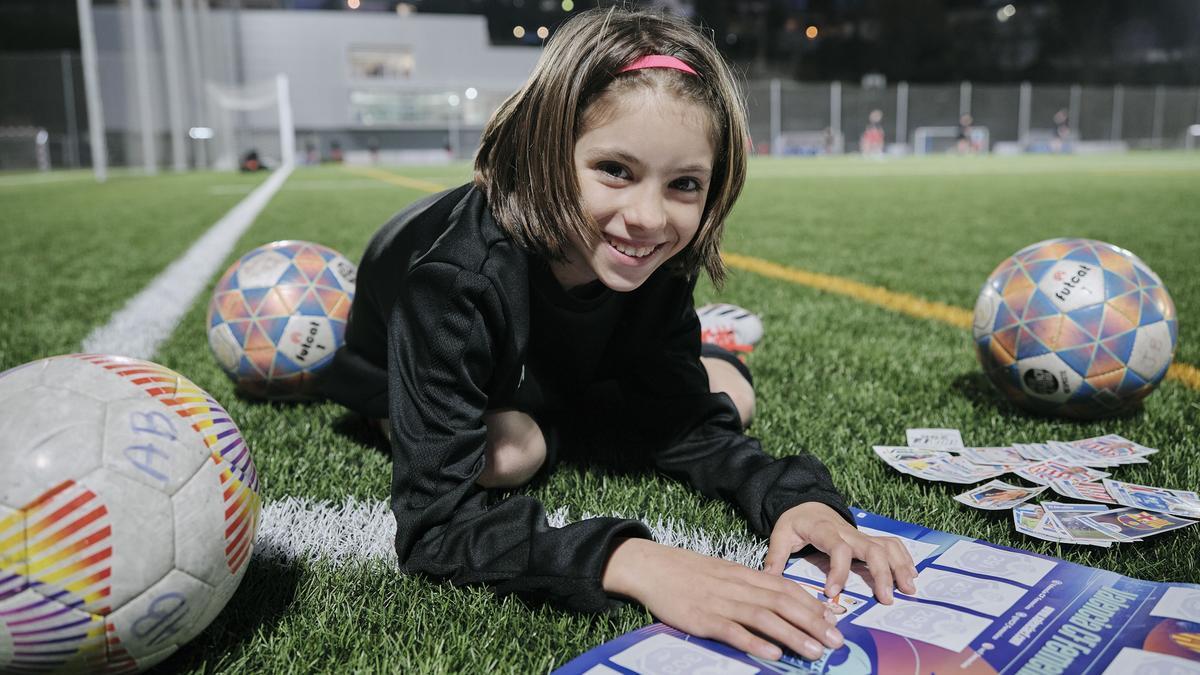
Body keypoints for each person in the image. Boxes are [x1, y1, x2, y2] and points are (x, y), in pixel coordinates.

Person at [320, 7, 916, 663]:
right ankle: (579, 411)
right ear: (549, 150)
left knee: (729, 394)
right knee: (507, 454)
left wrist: (800, 500)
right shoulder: (455, 281)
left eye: (684, 183)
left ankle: (625, 387)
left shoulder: (655, 255)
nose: (647, 218)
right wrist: (633, 560)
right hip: (406, 361)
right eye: (615, 169)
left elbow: (692, 430)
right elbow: (435, 528)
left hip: (558, 361)